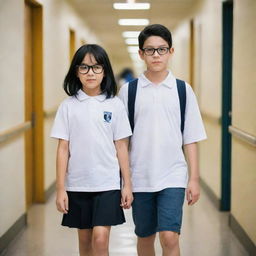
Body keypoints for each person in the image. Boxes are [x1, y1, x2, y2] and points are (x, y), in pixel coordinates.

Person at [118, 24, 207, 256]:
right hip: (140, 177)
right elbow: (122, 142)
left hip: (173, 176)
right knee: (145, 236)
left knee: (169, 237)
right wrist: (125, 181)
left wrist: (194, 179)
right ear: (141, 54)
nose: (156, 55)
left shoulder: (182, 90)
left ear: (171, 52)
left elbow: (191, 138)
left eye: (161, 49)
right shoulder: (129, 92)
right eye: (150, 50)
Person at [51, 44, 133, 256]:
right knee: (85, 240)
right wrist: (61, 188)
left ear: (104, 71)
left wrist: (127, 185)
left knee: (100, 238)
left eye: (96, 67)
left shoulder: (114, 105)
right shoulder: (68, 106)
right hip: (78, 183)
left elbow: (122, 147)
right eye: (84, 67)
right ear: (76, 72)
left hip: (107, 183)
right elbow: (63, 149)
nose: (90, 73)